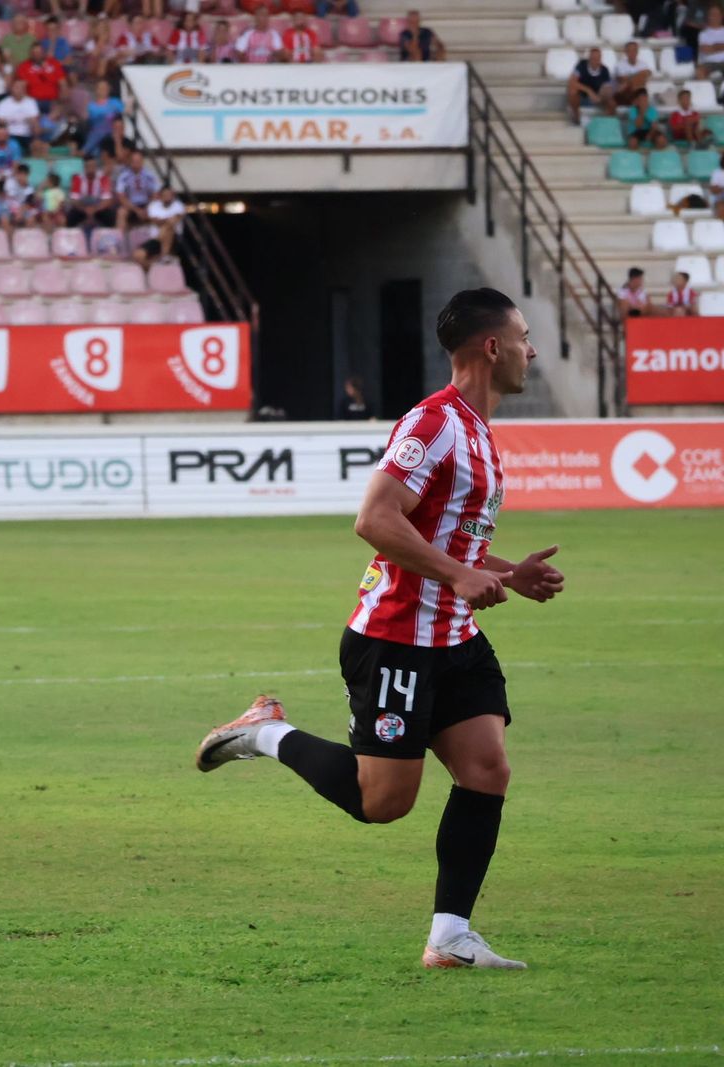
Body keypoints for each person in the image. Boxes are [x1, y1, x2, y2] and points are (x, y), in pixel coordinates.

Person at [195, 288, 564, 972]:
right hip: (396, 636)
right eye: (523, 336)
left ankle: (450, 936)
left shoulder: (480, 428)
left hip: (453, 637)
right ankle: (263, 731)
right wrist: (457, 576)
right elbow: (375, 519)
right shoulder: (434, 423)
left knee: (487, 768)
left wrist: (504, 572)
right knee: (383, 802)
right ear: (492, 346)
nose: (530, 349)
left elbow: (442, 536)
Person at [567, 47, 615, 125]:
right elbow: (572, 82)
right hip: (582, 97)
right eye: (593, 58)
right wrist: (589, 91)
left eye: (598, 58)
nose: (595, 60)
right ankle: (576, 117)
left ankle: (607, 124)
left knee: (611, 101)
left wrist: (600, 96)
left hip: (598, 98)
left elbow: (608, 88)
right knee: (572, 91)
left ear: (600, 59)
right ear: (589, 58)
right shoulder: (581, 65)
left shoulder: (604, 70)